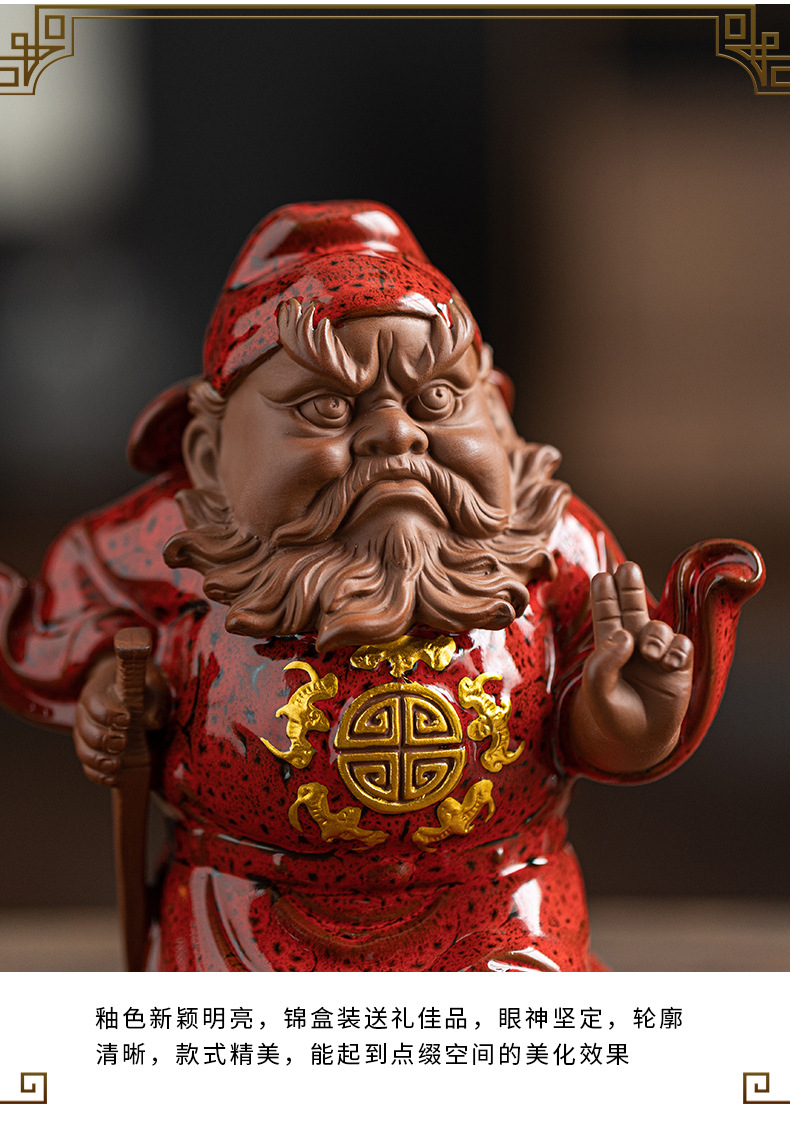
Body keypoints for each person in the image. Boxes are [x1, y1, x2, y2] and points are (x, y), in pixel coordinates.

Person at [0, 201, 763, 971]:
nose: (396, 434)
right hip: (244, 905)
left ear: (498, 417)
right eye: (327, 406)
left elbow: (587, 734)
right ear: (209, 451)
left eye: (438, 400)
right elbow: (82, 615)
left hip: (498, 901)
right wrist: (117, 690)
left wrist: (622, 720)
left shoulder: (556, 546)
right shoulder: (172, 547)